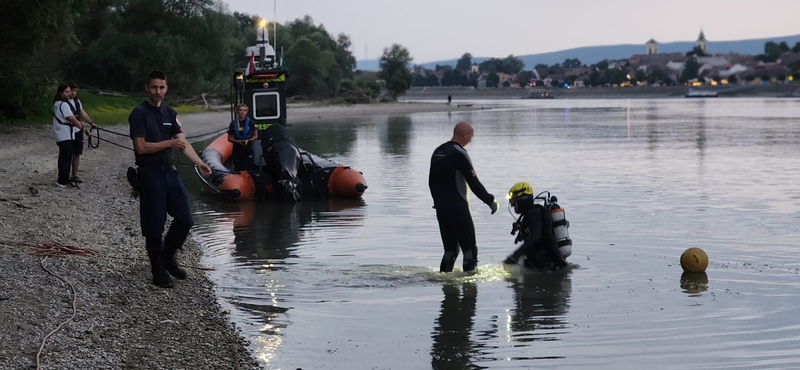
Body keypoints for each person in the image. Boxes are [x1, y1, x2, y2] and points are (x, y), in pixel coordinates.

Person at [129, 70, 212, 288]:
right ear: (147, 88)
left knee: (185, 219)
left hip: (170, 172)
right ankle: (157, 270)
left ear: (166, 88)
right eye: (154, 87)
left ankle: (168, 256)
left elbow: (182, 143)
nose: (158, 91)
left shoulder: (171, 113)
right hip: (149, 173)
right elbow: (141, 147)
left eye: (162, 87)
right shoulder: (139, 113)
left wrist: (199, 163)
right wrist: (168, 143)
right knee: (154, 225)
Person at [428, 121, 498, 272]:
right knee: (469, 250)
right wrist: (490, 200)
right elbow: (473, 182)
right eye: (471, 136)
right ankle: (470, 290)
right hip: (458, 208)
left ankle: (445, 284)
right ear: (465, 134)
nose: (471, 140)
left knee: (450, 251)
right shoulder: (459, 153)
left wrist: (438, 202)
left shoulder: (437, 151)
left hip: (441, 208)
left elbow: (431, 182)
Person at [503, 182, 568, 271]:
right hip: (542, 263)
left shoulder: (534, 214)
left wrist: (515, 255)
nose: (513, 206)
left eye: (514, 202)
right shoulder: (531, 214)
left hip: (546, 266)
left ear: (522, 199)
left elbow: (535, 237)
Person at [52, 84, 83, 188]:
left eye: (69, 91)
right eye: (66, 92)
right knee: (66, 157)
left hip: (62, 134)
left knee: (64, 157)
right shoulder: (63, 104)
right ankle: (63, 180)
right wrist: (83, 129)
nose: (69, 93)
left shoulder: (57, 103)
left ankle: (64, 179)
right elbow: (72, 119)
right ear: (61, 93)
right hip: (65, 134)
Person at [67, 83, 97, 183]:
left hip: (78, 130)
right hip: (69, 131)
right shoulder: (63, 103)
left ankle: (74, 175)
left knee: (77, 153)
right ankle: (65, 175)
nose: (73, 93)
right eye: (72, 90)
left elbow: (82, 113)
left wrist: (91, 123)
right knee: (68, 154)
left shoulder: (76, 101)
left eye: (75, 91)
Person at [227, 103, 258, 171]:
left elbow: (255, 136)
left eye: (244, 110)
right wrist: (237, 141)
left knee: (248, 167)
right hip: (237, 149)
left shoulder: (251, 122)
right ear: (237, 111)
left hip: (248, 148)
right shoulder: (233, 123)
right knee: (238, 168)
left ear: (246, 112)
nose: (242, 112)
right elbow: (229, 138)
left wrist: (249, 140)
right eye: (240, 110)